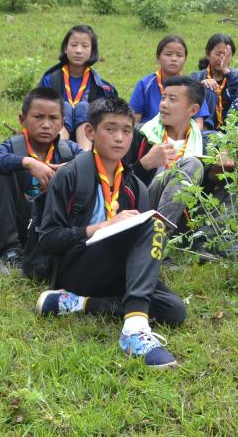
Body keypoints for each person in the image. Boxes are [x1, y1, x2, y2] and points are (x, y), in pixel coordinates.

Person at [34, 96, 185, 368]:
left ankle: (80, 304)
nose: (119, 138)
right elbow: (47, 239)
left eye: (126, 131)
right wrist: (100, 227)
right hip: (77, 266)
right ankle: (134, 331)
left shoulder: (135, 186)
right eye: (110, 129)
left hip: (116, 272)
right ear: (90, 132)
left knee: (174, 309)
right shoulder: (70, 175)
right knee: (150, 224)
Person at [0, 87, 82, 274]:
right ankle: (10, 250)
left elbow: (96, 165)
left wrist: (72, 169)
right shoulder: (12, 146)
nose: (46, 124)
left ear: (62, 123)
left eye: (53, 118)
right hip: (17, 221)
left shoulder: (71, 151)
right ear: (22, 120)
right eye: (38, 117)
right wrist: (26, 162)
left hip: (53, 225)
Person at [127, 75, 215, 228]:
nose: (163, 105)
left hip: (186, 216)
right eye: (163, 98)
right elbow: (118, 185)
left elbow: (205, 192)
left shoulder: (205, 144)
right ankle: (160, 234)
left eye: (172, 100)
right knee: (191, 164)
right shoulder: (140, 135)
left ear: (193, 109)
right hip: (142, 209)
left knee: (193, 164)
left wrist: (216, 172)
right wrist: (144, 164)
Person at [39, 24, 119, 149]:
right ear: (66, 48)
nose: (78, 50)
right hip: (52, 135)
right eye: (74, 45)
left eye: (85, 46)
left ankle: (84, 157)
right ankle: (59, 152)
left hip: (90, 139)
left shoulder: (102, 87)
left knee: (84, 107)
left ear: (92, 51)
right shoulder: (50, 79)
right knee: (63, 106)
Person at [129, 35, 209, 127]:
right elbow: (134, 123)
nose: (174, 59)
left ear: (185, 59)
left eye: (179, 55)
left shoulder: (192, 86)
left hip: (183, 137)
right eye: (168, 54)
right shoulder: (145, 85)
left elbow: (199, 123)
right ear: (158, 57)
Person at [189, 33, 238, 130]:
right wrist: (200, 85)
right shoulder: (197, 76)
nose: (222, 58)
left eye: (227, 55)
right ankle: (205, 132)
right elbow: (185, 95)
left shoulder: (237, 76)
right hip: (207, 124)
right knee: (207, 87)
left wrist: (226, 71)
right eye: (218, 54)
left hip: (230, 124)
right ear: (208, 54)